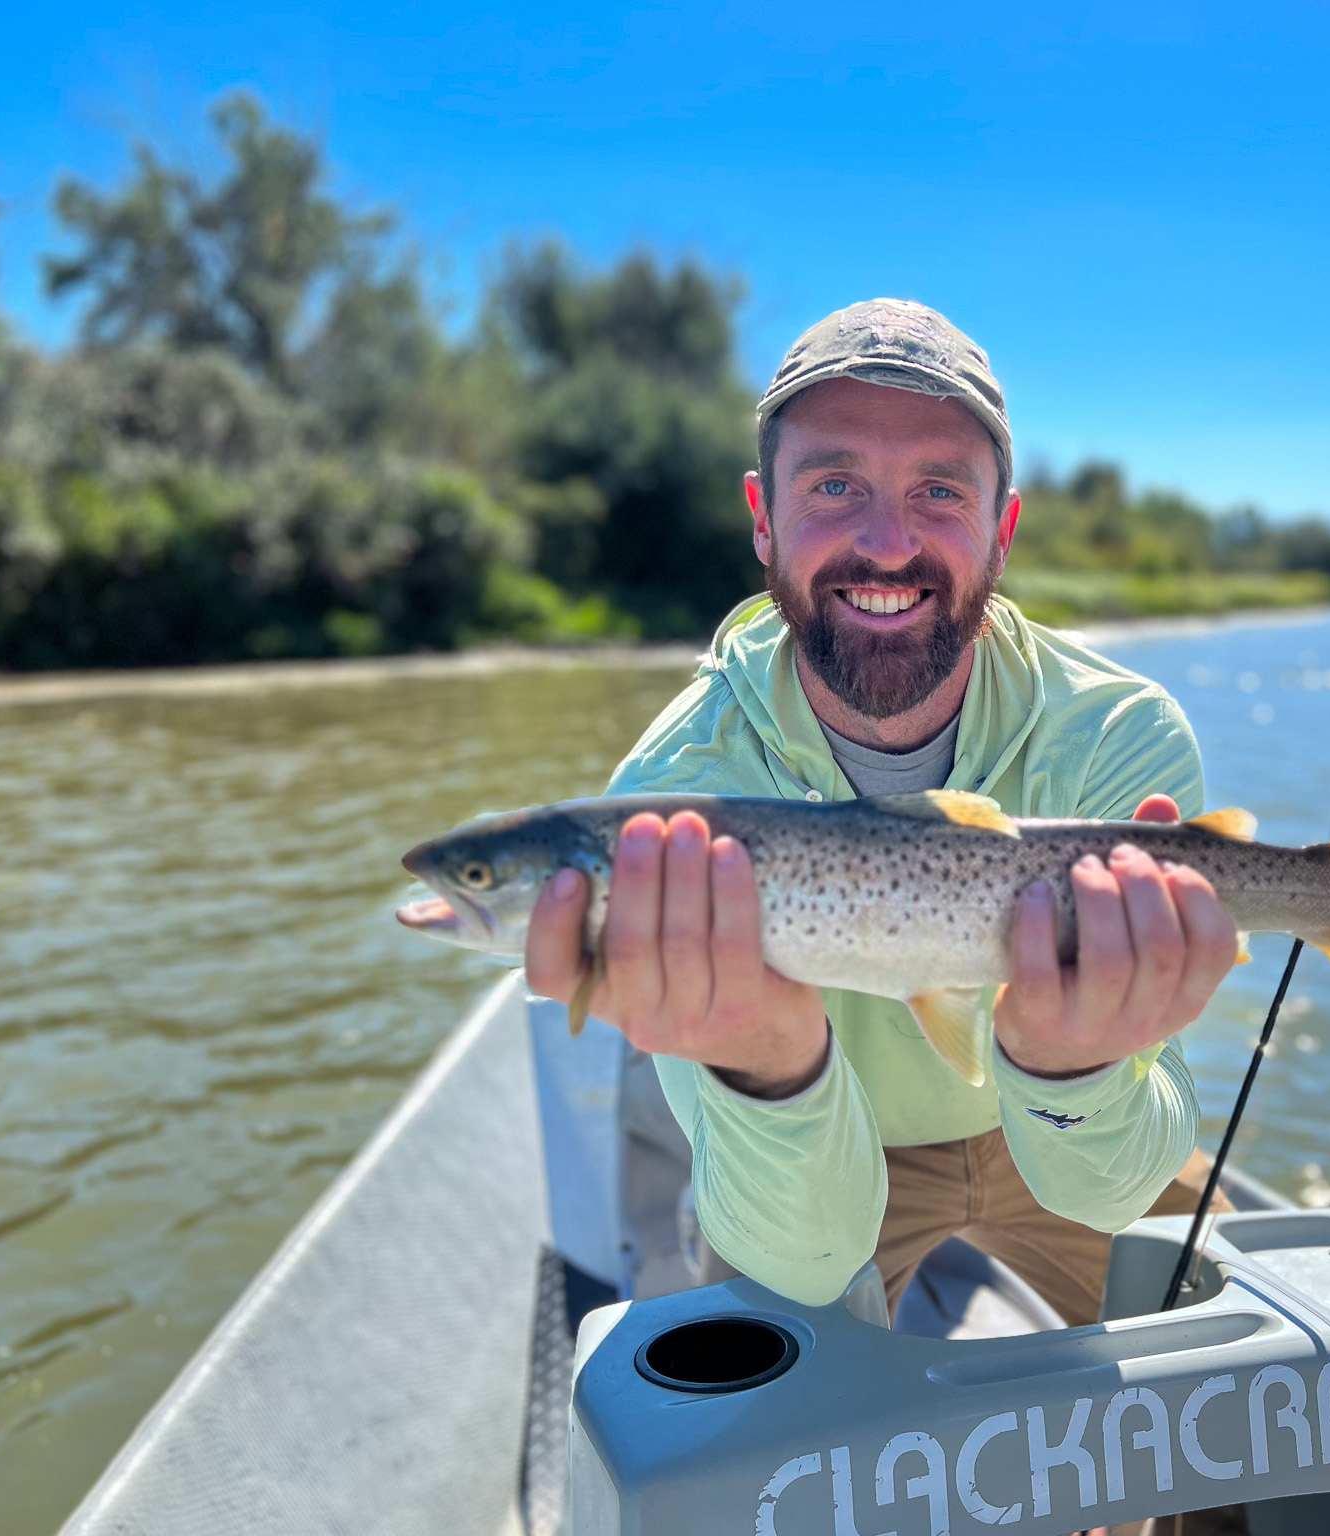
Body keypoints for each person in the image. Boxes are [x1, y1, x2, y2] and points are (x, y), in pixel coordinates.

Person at [522, 298, 1239, 1339]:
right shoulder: (668, 799)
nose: (887, 543)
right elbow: (805, 1260)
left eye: (938, 490)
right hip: (826, 1135)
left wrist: (1070, 1067)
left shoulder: (1118, 733)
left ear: (1002, 528)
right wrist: (766, 1071)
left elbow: (1108, 1192)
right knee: (778, 1459)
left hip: (1053, 1113)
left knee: (1239, 1376)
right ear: (763, 517)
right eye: (834, 484)